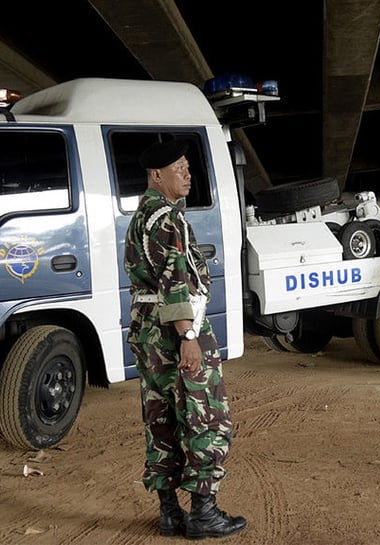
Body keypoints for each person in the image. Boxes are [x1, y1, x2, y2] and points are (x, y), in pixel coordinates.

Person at [123, 139, 247, 539]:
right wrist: (189, 335)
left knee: (161, 417)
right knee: (205, 415)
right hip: (175, 330)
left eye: (188, 167)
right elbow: (175, 282)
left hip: (149, 330)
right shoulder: (166, 219)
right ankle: (203, 513)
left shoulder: (142, 215)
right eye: (179, 168)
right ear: (157, 175)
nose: (188, 174)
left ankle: (170, 512)